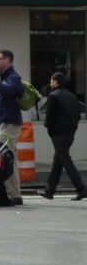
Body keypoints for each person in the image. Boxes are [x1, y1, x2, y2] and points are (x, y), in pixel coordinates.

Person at [38, 73, 87, 201]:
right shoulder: (72, 96)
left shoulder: (53, 96)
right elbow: (77, 115)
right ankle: (50, 190)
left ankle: (82, 188)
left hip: (58, 133)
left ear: (56, 82)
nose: (50, 83)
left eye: (51, 81)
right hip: (70, 133)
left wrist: (49, 129)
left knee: (65, 160)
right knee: (58, 161)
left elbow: (50, 117)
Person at [0, 50, 24, 206]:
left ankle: (13, 194)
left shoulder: (13, 77)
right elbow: (2, 99)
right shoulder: (6, 78)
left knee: (6, 159)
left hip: (9, 124)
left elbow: (7, 90)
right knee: (9, 159)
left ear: (8, 60)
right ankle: (14, 193)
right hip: (5, 123)